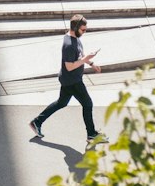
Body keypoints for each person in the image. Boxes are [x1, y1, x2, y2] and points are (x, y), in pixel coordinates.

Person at [30, 13, 103, 144]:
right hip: (72, 80)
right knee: (87, 103)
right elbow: (69, 66)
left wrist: (91, 64)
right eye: (83, 30)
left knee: (61, 103)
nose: (85, 32)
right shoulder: (69, 44)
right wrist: (86, 60)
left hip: (69, 79)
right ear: (75, 28)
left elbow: (80, 55)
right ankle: (91, 134)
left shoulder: (75, 38)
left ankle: (37, 122)